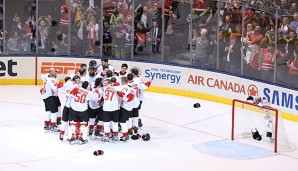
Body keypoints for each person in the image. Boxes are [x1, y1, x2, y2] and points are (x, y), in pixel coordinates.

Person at [40, 68, 63, 132]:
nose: (56, 73)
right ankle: (53, 125)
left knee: (48, 110)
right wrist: (60, 85)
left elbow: (44, 75)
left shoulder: (49, 76)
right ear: (50, 72)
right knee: (54, 111)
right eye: (54, 72)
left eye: (56, 71)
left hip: (47, 96)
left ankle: (47, 124)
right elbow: (54, 88)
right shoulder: (51, 79)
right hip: (50, 96)